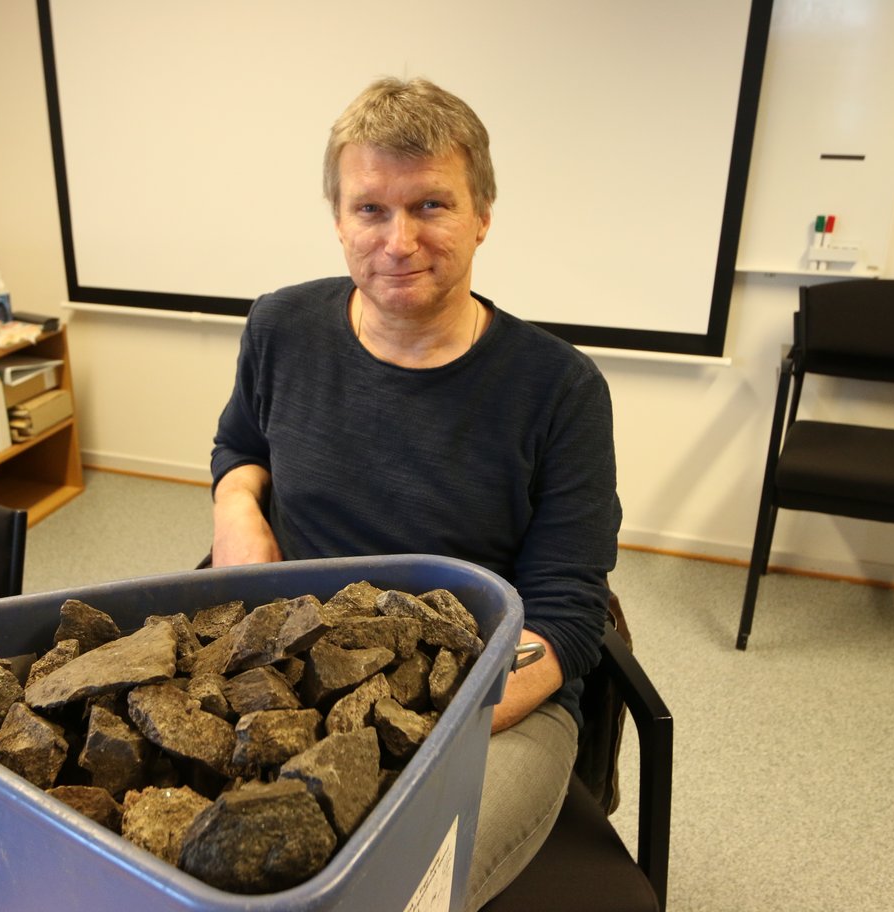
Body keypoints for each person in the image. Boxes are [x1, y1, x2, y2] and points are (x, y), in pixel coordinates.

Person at [209, 76, 621, 910]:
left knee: (383, 892)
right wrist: (236, 508)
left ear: (482, 216)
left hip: (484, 701)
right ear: (338, 219)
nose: (399, 240)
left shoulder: (561, 391)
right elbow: (240, 447)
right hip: (299, 661)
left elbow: (569, 617)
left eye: (432, 205)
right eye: (370, 210)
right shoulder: (281, 328)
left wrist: (393, 735)